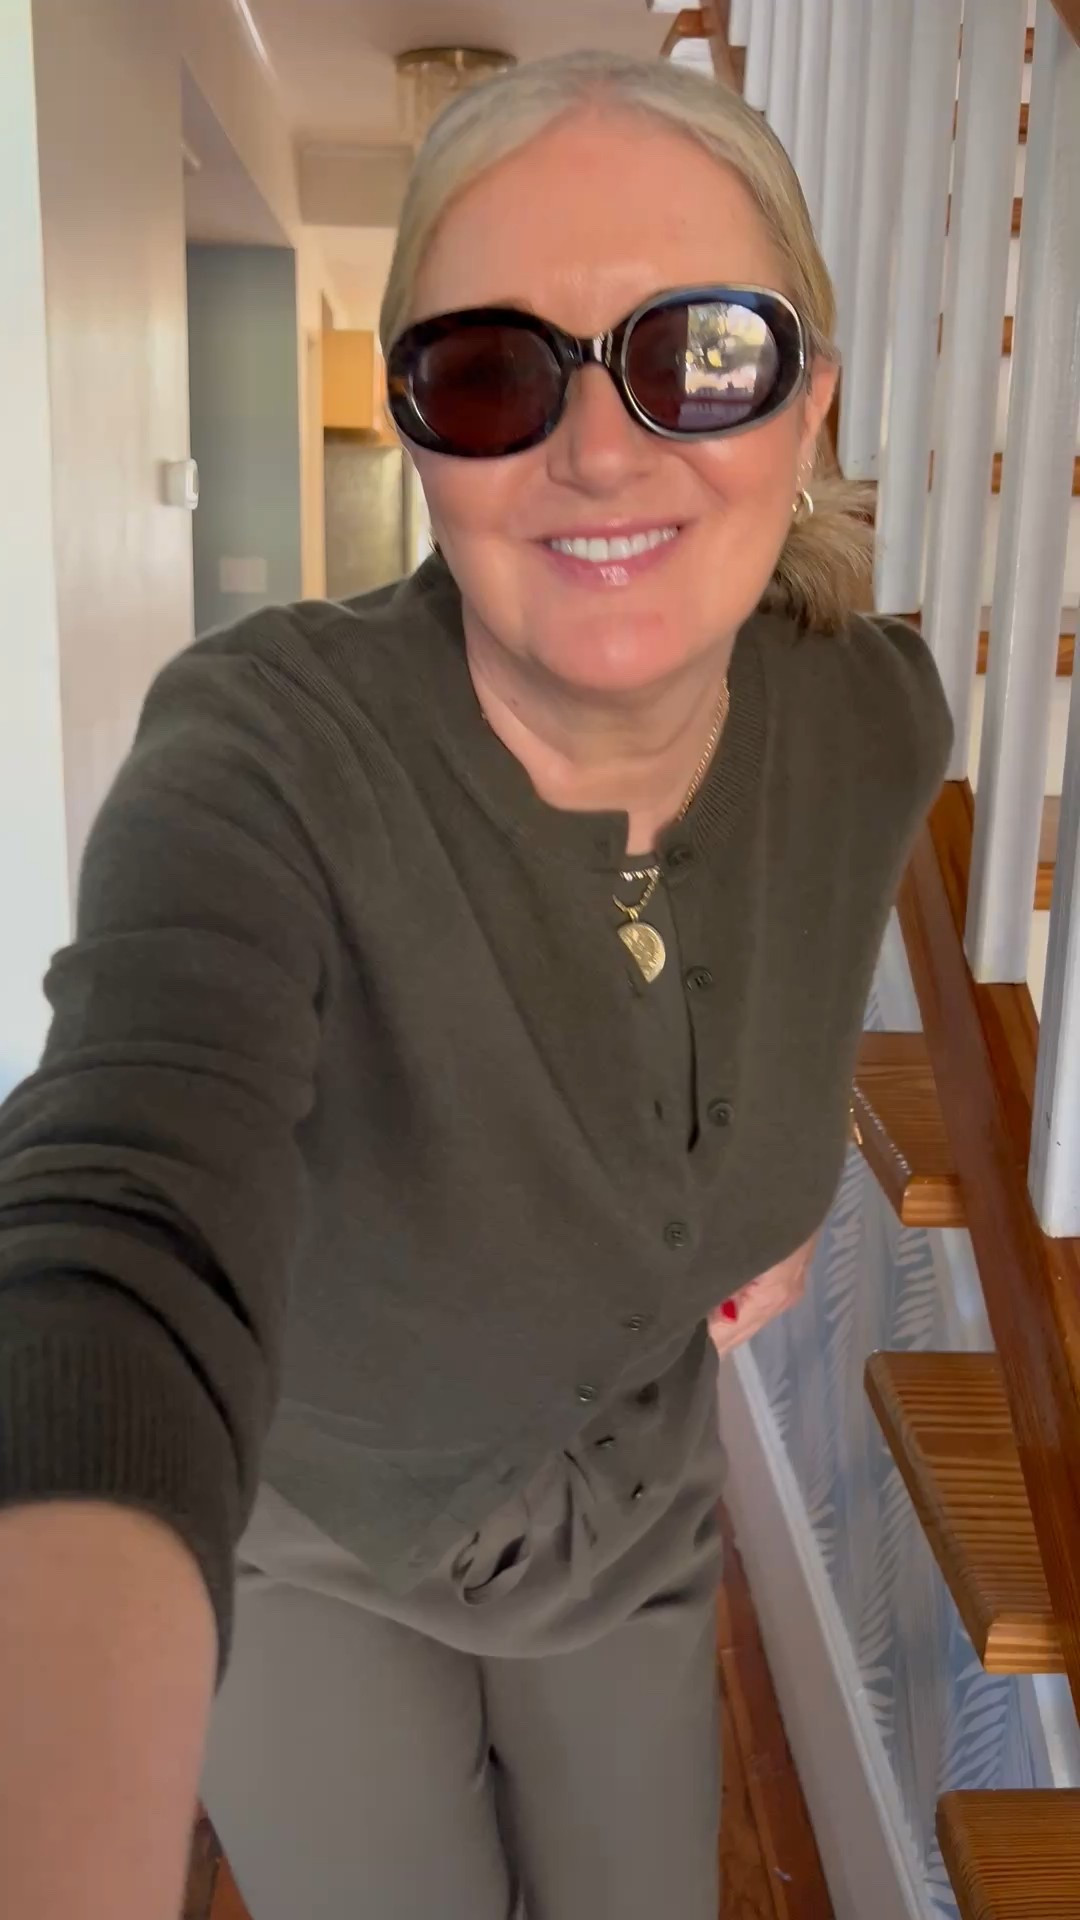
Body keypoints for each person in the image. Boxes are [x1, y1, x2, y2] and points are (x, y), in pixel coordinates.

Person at [0, 48, 952, 1920]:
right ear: (420, 427)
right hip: (311, 1536)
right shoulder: (264, 749)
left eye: (702, 354)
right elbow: (120, 1200)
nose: (599, 450)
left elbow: (791, 935)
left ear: (809, 403)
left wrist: (756, 1177)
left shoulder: (872, 715)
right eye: (497, 371)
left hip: (636, 1506)